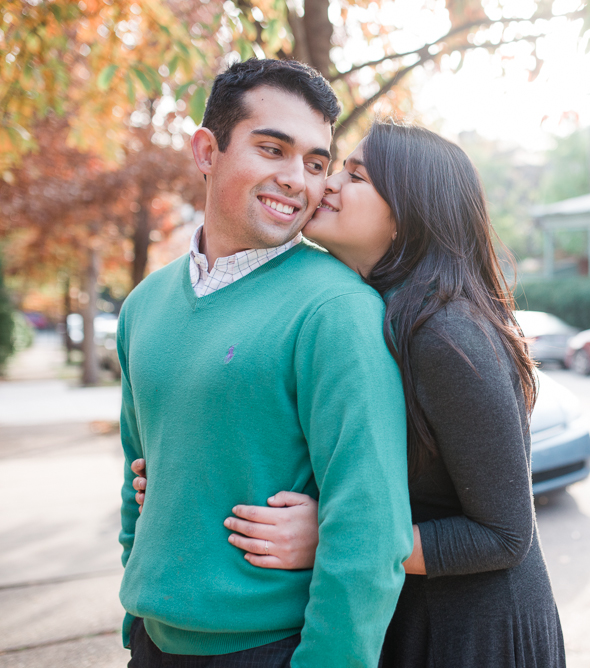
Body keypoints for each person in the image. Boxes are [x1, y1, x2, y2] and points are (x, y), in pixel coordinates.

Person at [133, 120, 567, 667]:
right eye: (338, 168)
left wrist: (339, 540)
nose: (329, 183)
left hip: (469, 630)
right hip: (401, 609)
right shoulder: (370, 308)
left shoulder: (445, 335)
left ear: (408, 212)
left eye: (355, 176)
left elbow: (505, 535)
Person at [117, 59, 412, 668]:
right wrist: (135, 609)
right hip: (152, 643)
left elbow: (368, 530)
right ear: (206, 150)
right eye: (272, 149)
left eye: (314, 162)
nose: (296, 181)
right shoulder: (143, 306)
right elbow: (138, 474)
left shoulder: (336, 311)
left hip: (269, 651)